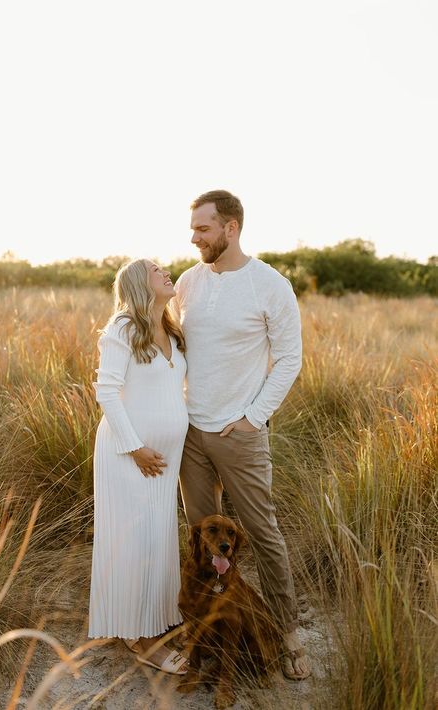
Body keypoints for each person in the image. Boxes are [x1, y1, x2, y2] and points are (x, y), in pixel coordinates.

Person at [173, 190, 311, 680]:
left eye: (203, 230)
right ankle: (205, 630)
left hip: (240, 433)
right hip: (191, 433)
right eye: (193, 229)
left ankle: (289, 634)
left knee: (262, 533)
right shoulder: (189, 282)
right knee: (201, 539)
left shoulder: (270, 285)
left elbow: (290, 358)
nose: (194, 238)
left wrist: (254, 417)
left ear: (230, 228)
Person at [88, 258, 188, 675]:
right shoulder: (123, 328)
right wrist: (136, 448)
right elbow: (107, 392)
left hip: (166, 460)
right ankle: (145, 642)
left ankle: (146, 622)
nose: (165, 271)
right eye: (154, 269)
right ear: (136, 282)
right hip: (130, 456)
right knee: (137, 542)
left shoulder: (173, 330)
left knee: (157, 539)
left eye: (164, 267)